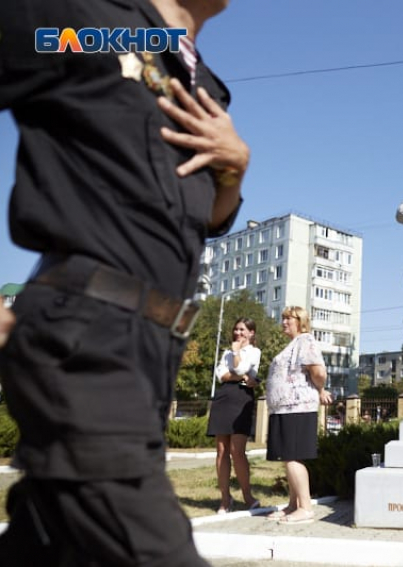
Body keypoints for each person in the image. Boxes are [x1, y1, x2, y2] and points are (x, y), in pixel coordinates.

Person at [0, 1, 249, 565]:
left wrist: (234, 170)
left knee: (54, 541)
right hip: (88, 337)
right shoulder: (85, 25)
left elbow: (205, 216)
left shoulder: (203, 84)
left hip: (154, 348)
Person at [264, 306, 334, 524]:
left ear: (300, 321)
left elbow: (319, 372)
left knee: (292, 456)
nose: (284, 322)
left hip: (297, 406)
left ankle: (305, 507)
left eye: (289, 319)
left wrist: (320, 388)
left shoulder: (305, 340)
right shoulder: (294, 344)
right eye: (283, 318)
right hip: (286, 408)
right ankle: (293, 505)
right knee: (289, 457)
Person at [207, 318, 262, 514]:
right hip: (223, 397)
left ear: (251, 333)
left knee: (236, 450)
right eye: (236, 328)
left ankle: (247, 495)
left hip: (241, 399)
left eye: (242, 329)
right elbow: (221, 375)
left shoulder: (255, 352)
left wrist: (238, 356)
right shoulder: (226, 353)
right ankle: (225, 499)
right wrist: (244, 377)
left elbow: (239, 369)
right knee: (221, 451)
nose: (238, 332)